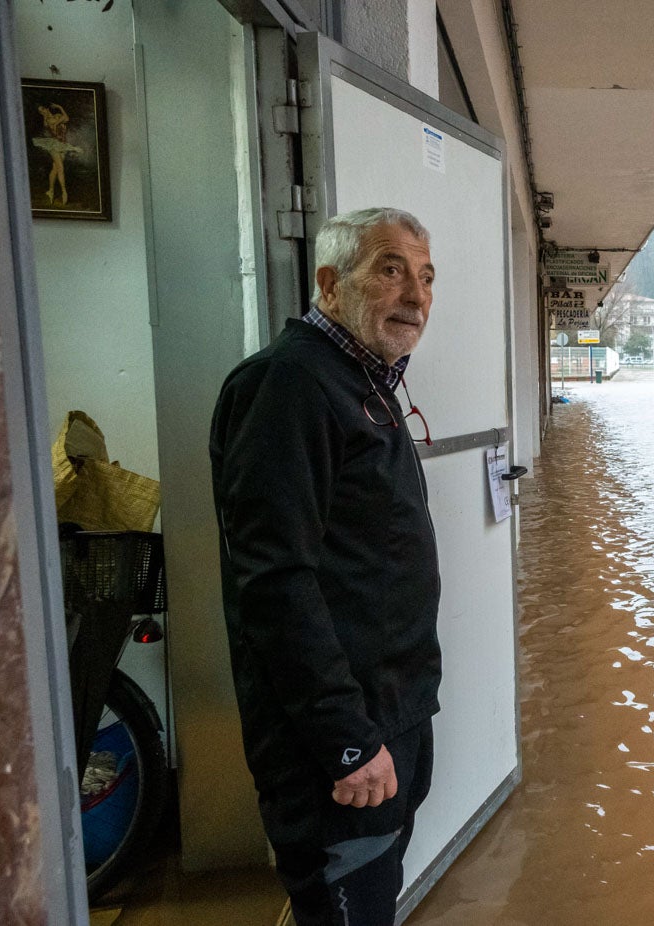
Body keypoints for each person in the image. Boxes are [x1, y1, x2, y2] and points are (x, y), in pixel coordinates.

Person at [210, 207, 441, 926]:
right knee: (346, 903)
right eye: (390, 269)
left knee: (370, 897)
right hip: (339, 742)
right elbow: (274, 583)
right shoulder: (289, 386)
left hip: (389, 713)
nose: (415, 295)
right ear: (329, 284)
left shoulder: (362, 381)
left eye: (427, 277)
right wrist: (347, 740)